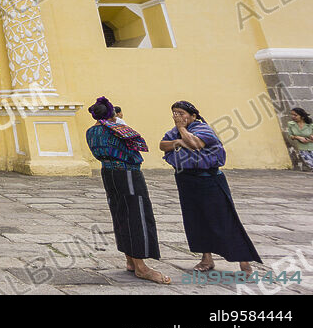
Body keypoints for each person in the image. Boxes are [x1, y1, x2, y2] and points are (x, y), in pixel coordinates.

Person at [159, 100, 262, 273]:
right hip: (187, 181)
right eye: (175, 113)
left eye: (181, 113)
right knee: (196, 220)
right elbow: (163, 145)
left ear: (193, 115)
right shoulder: (174, 132)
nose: (178, 117)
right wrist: (179, 141)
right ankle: (206, 259)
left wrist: (183, 131)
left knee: (223, 219)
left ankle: (244, 262)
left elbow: (195, 144)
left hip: (209, 181)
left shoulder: (203, 129)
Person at [85, 96, 170, 285]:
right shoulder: (119, 129)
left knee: (120, 213)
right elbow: (141, 145)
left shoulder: (91, 131)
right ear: (112, 114)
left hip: (108, 173)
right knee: (136, 215)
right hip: (128, 174)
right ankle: (141, 267)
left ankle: (130, 260)